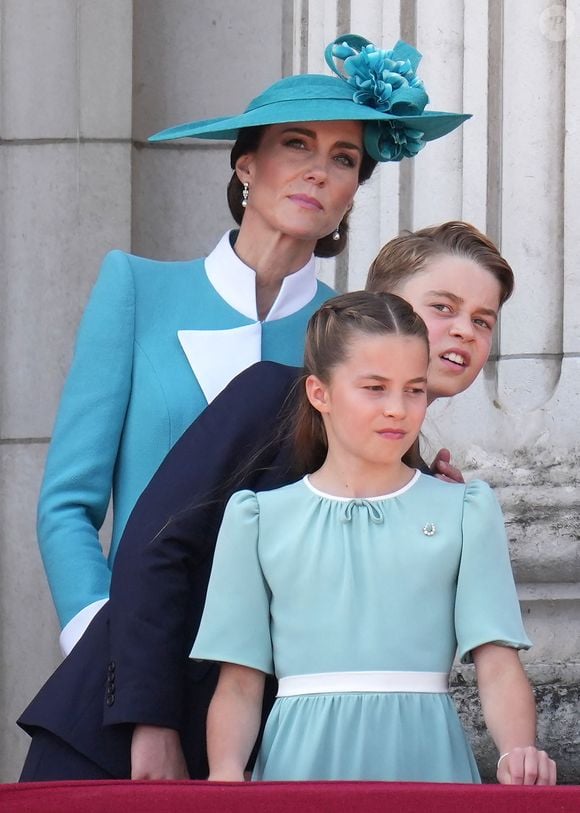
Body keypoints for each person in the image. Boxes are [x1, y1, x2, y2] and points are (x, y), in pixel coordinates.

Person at [19, 221, 517, 782]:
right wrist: (149, 723)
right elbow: (153, 547)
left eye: (483, 320)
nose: (464, 332)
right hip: (117, 744)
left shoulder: (432, 491)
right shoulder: (268, 396)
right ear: (380, 307)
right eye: (443, 307)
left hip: (252, 768)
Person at [36, 32, 468, 660]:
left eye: (344, 158)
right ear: (246, 165)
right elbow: (67, 503)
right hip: (133, 652)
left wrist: (425, 496)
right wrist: (98, 635)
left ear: (352, 191)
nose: (319, 170)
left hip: (289, 668)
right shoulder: (136, 289)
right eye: (297, 145)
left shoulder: (358, 329)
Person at [193, 291, 556, 785]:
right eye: (375, 388)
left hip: (429, 765)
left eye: (414, 389)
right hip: (299, 768)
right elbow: (238, 685)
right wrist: (225, 777)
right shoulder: (258, 518)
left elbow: (496, 662)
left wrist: (519, 751)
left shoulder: (465, 510)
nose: (398, 410)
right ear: (320, 393)